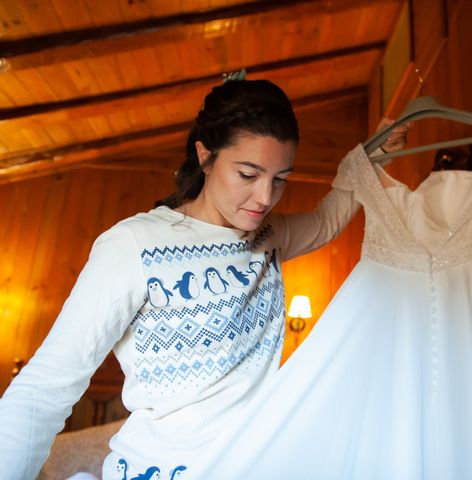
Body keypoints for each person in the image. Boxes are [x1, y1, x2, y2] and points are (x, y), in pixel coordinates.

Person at [0, 77, 409, 479]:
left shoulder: (268, 237)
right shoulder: (133, 245)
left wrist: (371, 157)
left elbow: (325, 221)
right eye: (248, 174)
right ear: (205, 155)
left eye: (279, 179)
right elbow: (46, 386)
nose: (266, 197)